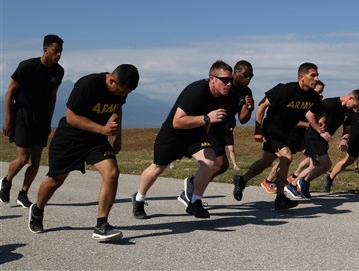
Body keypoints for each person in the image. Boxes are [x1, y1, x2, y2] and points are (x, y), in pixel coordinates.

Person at [28, 64, 139, 242]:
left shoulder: (121, 91)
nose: (121, 95)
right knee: (56, 180)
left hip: (95, 140)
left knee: (112, 172)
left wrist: (118, 137)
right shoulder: (88, 85)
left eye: (125, 93)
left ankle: (101, 225)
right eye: (120, 91)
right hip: (70, 139)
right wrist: (103, 129)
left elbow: (117, 109)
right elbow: (72, 117)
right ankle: (38, 209)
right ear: (111, 80)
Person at [131, 60, 233, 220]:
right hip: (174, 134)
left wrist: (206, 127)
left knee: (210, 161)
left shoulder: (222, 96)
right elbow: (177, 122)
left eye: (230, 80)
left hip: (194, 134)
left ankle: (195, 202)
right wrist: (207, 118)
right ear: (212, 78)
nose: (228, 84)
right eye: (224, 80)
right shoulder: (197, 91)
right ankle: (139, 198)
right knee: (158, 167)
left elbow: (210, 120)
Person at [233, 62, 325, 210]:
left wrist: (321, 122)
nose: (316, 79)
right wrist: (258, 130)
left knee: (266, 161)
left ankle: (241, 180)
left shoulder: (313, 96)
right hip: (272, 129)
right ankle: (280, 198)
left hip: (287, 131)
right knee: (287, 156)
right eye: (312, 75)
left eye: (317, 75)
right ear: (301, 77)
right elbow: (262, 105)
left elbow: (320, 111)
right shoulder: (285, 90)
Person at [176, 60, 254, 207]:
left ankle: (192, 187)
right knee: (219, 163)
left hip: (224, 129)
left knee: (221, 166)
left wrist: (249, 108)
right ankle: (192, 190)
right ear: (235, 73)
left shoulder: (246, 92)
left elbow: (243, 119)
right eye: (245, 74)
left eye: (251, 76)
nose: (248, 78)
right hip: (211, 127)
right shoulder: (225, 88)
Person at [1, 35, 64, 208]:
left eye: (60, 52)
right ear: (45, 50)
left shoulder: (59, 71)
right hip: (22, 114)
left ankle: (23, 193)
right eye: (55, 51)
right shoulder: (27, 66)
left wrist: (49, 121)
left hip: (42, 117)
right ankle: (6, 181)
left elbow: (52, 97)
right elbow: (10, 92)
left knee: (36, 159)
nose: (58, 55)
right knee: (23, 158)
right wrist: (7, 119)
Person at [286, 89, 359, 199]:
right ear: (350, 98)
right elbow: (309, 115)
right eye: (354, 105)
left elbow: (347, 129)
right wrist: (320, 131)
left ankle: (296, 184)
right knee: (326, 164)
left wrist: (344, 139)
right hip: (313, 135)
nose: (354, 108)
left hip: (323, 139)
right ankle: (298, 183)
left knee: (314, 165)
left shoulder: (348, 111)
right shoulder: (330, 103)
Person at [260, 80, 325, 194]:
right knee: (284, 158)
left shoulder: (314, 103)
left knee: (311, 157)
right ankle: (269, 181)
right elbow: (293, 121)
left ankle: (293, 177)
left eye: (322, 92)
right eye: (319, 91)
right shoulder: (300, 100)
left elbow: (322, 113)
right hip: (292, 133)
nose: (321, 95)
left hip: (303, 135)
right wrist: (311, 125)